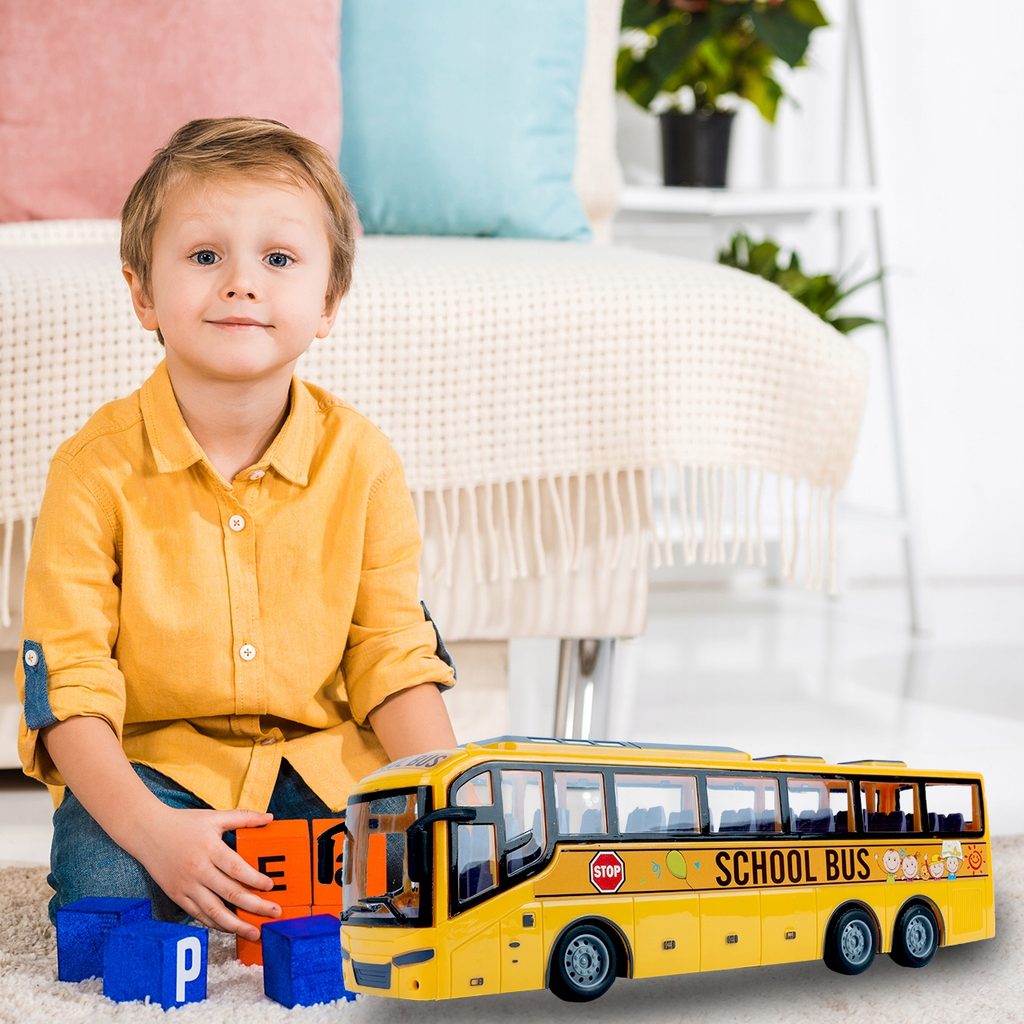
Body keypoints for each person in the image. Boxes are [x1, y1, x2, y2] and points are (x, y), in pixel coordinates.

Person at [13, 117, 459, 941]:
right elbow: (69, 688)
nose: (241, 283)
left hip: (320, 763)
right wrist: (154, 834)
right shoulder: (92, 470)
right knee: (104, 906)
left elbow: (391, 655)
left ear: (328, 303)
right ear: (143, 293)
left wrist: (445, 798)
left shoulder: (363, 461)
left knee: (426, 872)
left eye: (278, 259)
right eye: (205, 255)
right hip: (155, 773)